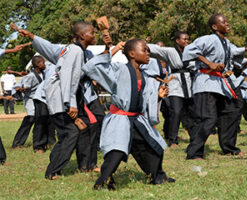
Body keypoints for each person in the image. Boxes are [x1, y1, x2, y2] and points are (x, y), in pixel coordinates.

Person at [82, 34, 175, 190]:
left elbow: (143, 100)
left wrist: (158, 97)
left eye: (148, 51)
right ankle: (102, 182)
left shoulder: (144, 75)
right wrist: (110, 51)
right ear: (132, 54)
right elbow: (91, 67)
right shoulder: (118, 69)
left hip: (137, 119)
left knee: (154, 146)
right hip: (120, 119)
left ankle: (157, 176)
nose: (148, 53)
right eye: (144, 50)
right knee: (116, 152)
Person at [18, 21, 106, 178]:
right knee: (70, 133)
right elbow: (67, 77)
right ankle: (53, 169)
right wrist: (70, 103)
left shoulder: (77, 51)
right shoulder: (74, 51)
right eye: (92, 33)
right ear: (82, 36)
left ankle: (83, 164)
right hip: (61, 97)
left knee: (81, 128)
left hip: (69, 97)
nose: (94, 35)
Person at [182, 14, 247, 159]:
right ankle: (194, 152)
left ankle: (229, 147)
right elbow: (189, 50)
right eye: (224, 22)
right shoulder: (208, 39)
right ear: (215, 27)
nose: (228, 24)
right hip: (206, 82)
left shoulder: (226, 43)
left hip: (221, 84)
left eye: (227, 21)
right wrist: (209, 63)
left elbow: (234, 53)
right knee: (207, 118)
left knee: (232, 112)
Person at [147, 31, 195, 147]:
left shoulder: (192, 52)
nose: (187, 41)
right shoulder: (170, 51)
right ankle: (172, 140)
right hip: (176, 85)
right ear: (177, 41)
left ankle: (195, 138)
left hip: (189, 85)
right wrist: (142, 44)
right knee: (176, 112)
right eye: (184, 39)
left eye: (188, 39)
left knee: (192, 113)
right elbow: (156, 49)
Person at [11, 56, 46, 149]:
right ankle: (17, 143)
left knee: (41, 119)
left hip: (40, 100)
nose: (44, 64)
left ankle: (43, 141)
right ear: (38, 64)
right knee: (31, 118)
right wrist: (22, 88)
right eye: (43, 63)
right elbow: (24, 86)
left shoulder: (44, 74)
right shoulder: (30, 76)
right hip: (30, 99)